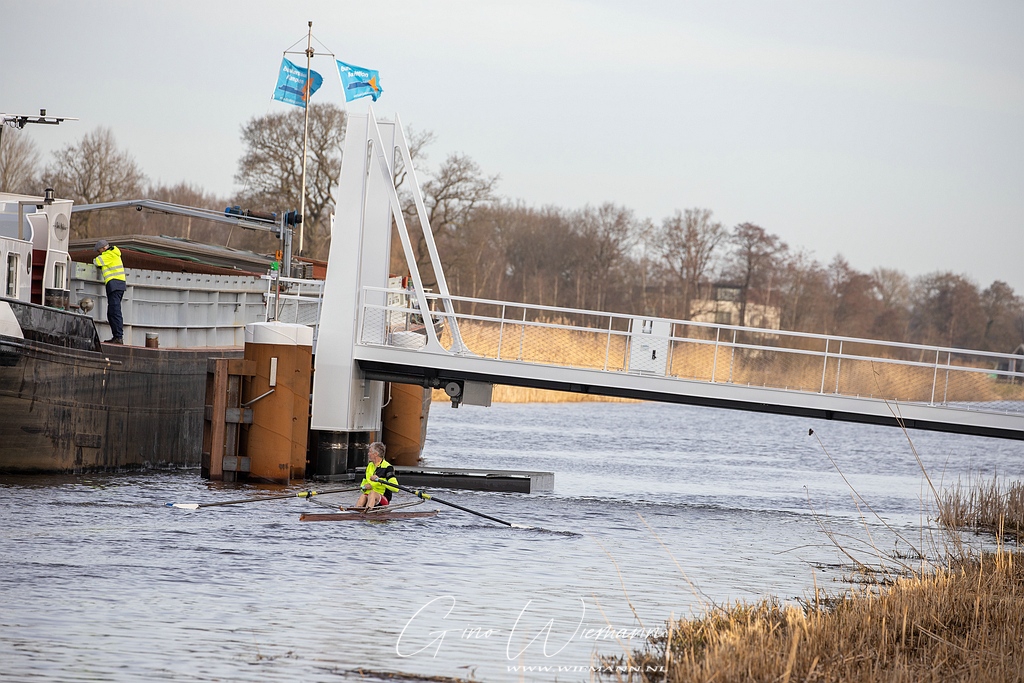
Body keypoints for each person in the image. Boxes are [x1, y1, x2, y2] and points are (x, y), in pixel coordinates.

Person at [93, 239, 126, 344]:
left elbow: (96, 261)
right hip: (118, 285)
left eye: (99, 251)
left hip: (114, 285)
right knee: (112, 312)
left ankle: (118, 337)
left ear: (103, 248)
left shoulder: (109, 254)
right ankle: (117, 336)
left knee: (114, 312)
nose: (99, 253)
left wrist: (99, 258)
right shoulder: (114, 253)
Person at [355, 441, 398, 511]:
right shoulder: (369, 466)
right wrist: (364, 487)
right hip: (369, 498)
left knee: (372, 493)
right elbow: (362, 486)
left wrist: (380, 480)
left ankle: (368, 512)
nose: (368, 454)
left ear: (376, 454)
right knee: (363, 496)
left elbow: (395, 488)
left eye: (370, 452)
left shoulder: (388, 467)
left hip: (383, 499)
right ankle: (355, 514)